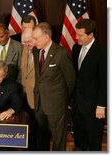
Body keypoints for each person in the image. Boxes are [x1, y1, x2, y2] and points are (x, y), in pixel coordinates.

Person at [32, 22, 75, 150]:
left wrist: (62, 99)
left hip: (56, 105)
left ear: (46, 37)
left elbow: (70, 80)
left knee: (58, 139)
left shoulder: (61, 53)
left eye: (36, 38)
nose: (33, 42)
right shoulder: (36, 51)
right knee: (41, 138)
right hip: (39, 102)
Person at [71, 19, 107, 151]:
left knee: (93, 141)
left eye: (80, 35)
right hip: (78, 104)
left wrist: (101, 105)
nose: (76, 37)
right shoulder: (76, 48)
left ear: (91, 35)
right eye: (76, 34)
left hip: (94, 106)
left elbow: (105, 81)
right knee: (79, 140)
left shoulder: (102, 52)